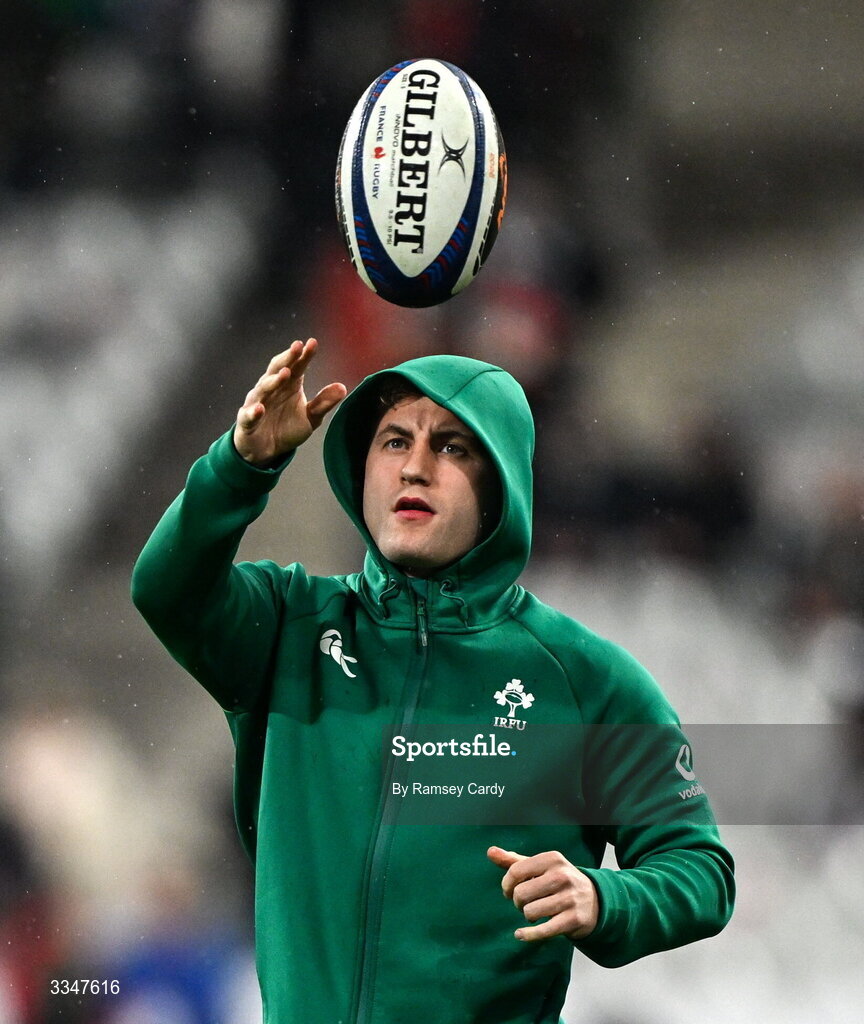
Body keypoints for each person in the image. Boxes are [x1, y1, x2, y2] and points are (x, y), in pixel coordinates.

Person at [131, 338, 734, 1023]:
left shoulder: (587, 680)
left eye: (452, 447)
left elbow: (701, 871)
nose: (414, 468)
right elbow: (165, 589)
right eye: (393, 442)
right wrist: (239, 469)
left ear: (499, 481)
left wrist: (604, 899)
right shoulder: (288, 628)